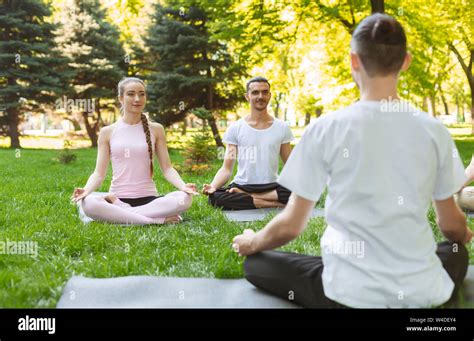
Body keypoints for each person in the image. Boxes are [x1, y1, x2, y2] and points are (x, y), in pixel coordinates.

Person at [232, 14, 472, 308]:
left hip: (345, 293)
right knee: (456, 251)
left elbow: (291, 226)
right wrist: (462, 233)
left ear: (354, 61)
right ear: (406, 61)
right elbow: (451, 226)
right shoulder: (434, 131)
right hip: (423, 289)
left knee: (255, 263)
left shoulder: (325, 128)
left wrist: (251, 241)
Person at [71, 77, 197, 225]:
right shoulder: (107, 132)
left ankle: (121, 215)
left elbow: (167, 169)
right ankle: (156, 221)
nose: (137, 99)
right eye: (131, 94)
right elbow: (99, 174)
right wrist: (86, 190)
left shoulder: (156, 129)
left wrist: (183, 186)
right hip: (118, 197)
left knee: (184, 199)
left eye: (142, 94)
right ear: (121, 98)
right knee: (88, 203)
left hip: (149, 199)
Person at [202, 77, 295, 210]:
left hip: (272, 185)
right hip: (243, 185)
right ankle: (276, 204)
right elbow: (226, 169)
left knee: (303, 191)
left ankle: (248, 196)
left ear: (269, 95)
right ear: (247, 96)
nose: (260, 96)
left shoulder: (282, 127)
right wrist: (213, 186)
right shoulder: (235, 128)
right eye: (255, 92)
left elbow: (291, 165)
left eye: (264, 92)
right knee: (215, 197)